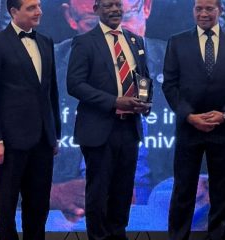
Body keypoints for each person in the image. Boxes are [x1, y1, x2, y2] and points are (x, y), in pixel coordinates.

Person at [162, 0, 225, 239]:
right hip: (189, 129)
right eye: (198, 9)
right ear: (193, 11)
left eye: (209, 9)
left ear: (219, 11)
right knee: (183, 191)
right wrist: (189, 116)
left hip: (223, 129)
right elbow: (170, 86)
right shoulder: (177, 42)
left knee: (221, 192)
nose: (203, 14)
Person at [66, 0, 151, 239]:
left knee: (123, 192)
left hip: (129, 129)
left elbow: (143, 78)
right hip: (98, 130)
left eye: (117, 5)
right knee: (98, 193)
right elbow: (75, 84)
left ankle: (119, 234)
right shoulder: (84, 42)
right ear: (96, 10)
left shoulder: (135, 41)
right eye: (107, 5)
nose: (114, 9)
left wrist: (144, 101)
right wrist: (114, 101)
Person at [0, 0, 61, 239]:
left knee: (39, 207)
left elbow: (51, 92)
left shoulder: (46, 42)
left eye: (39, 6)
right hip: (10, 141)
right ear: (14, 12)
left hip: (43, 141)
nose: (39, 11)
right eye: (31, 7)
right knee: (6, 207)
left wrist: (54, 133)